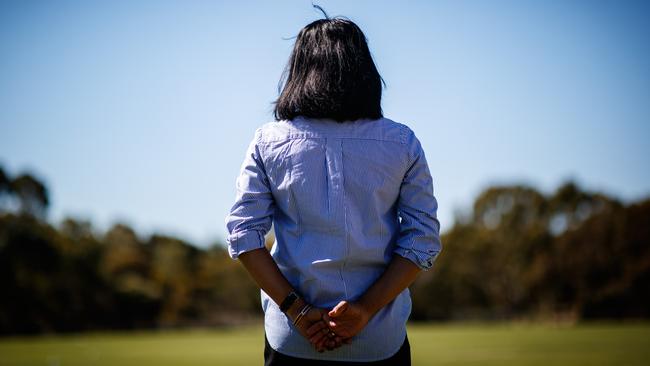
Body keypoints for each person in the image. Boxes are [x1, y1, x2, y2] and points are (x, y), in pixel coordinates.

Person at [225, 8, 441, 365]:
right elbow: (423, 239)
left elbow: (242, 235)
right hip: (379, 342)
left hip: (292, 341)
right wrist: (364, 311)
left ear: (298, 70)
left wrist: (297, 310)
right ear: (364, 71)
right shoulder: (402, 142)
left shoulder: (268, 141)